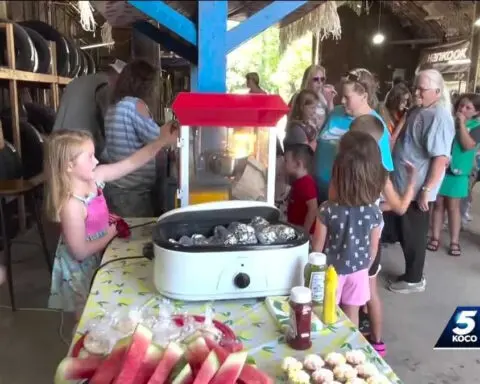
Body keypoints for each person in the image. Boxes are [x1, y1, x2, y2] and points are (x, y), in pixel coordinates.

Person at [44, 125, 178, 318]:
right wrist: (110, 233)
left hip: (101, 252)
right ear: (69, 166)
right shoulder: (71, 205)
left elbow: (131, 163)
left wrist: (162, 141)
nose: (96, 160)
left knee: (103, 306)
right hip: (80, 269)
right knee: (87, 315)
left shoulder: (96, 178)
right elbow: (80, 252)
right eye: (89, 157)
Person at [347, 115, 417, 357]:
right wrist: (411, 183)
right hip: (370, 242)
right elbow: (399, 207)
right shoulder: (380, 173)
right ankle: (378, 342)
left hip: (346, 240)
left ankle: (349, 346)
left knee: (350, 299)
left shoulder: (344, 169)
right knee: (370, 293)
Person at [387, 69, 455, 294]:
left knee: (414, 234)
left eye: (421, 89)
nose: (416, 92)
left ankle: (414, 279)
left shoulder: (439, 116)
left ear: (437, 91)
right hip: (403, 184)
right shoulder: (419, 110)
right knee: (403, 230)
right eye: (415, 87)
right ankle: (411, 274)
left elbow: (441, 158)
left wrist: (426, 189)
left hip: (416, 190)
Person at [313, 131, 386, 327]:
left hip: (331, 272)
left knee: (327, 312)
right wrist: (364, 268)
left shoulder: (327, 210)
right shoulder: (374, 213)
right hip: (359, 271)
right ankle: (351, 348)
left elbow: (317, 247)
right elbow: (373, 248)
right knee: (352, 314)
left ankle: (330, 349)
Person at [314, 68, 393, 204]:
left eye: (347, 97)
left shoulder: (376, 126)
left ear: (364, 96)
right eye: (342, 95)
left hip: (345, 201)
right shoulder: (336, 113)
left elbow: (383, 172)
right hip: (317, 191)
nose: (342, 101)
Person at [101, 59, 169, 217]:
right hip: (133, 193)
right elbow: (157, 140)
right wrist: (173, 128)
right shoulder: (135, 105)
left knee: (122, 236)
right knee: (137, 238)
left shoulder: (114, 106)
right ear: (144, 84)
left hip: (117, 187)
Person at [428, 93, 480, 257]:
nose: (462, 109)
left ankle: (454, 241)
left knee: (453, 208)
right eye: (461, 106)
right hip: (442, 169)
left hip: (459, 173)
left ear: (476, 112)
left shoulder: (476, 127)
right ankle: (435, 237)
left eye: (468, 108)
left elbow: (467, 145)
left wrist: (462, 124)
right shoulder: (448, 121)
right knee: (438, 205)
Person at [52, 59, 126, 157]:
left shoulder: (78, 81)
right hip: (79, 146)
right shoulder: (106, 86)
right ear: (119, 76)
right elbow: (107, 121)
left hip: (58, 142)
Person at [284, 144, 319, 238]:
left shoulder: (307, 183)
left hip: (304, 234)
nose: (284, 164)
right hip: (296, 230)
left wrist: (304, 232)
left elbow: (313, 208)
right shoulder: (298, 182)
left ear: (298, 164)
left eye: (286, 161)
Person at [289, 65, 336, 132]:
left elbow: (331, 118)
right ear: (308, 80)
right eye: (316, 79)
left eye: (322, 79)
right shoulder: (299, 96)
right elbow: (292, 121)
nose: (320, 82)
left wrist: (330, 100)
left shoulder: (323, 96)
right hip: (305, 136)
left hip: (322, 137)